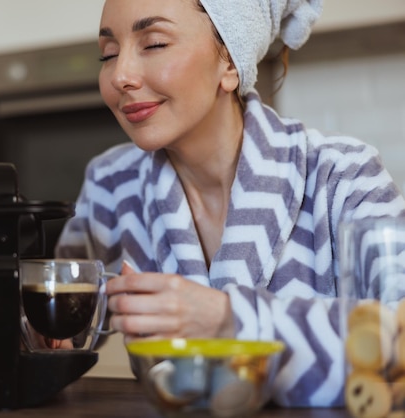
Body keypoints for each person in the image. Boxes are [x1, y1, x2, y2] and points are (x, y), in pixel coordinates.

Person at [54, 0, 405, 408]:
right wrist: (41, 334)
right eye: (109, 54)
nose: (121, 76)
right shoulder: (114, 186)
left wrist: (230, 319)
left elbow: (400, 339)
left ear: (230, 64)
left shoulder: (341, 175)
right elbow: (63, 326)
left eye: (154, 44)